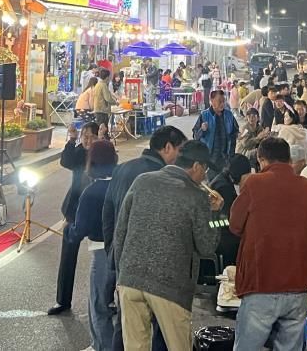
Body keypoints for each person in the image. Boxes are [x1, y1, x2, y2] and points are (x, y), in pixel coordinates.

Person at [114, 141, 222, 350]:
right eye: (205, 170)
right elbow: (207, 246)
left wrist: (121, 275)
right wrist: (216, 213)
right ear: (197, 167)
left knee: (135, 346)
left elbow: (121, 232)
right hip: (171, 285)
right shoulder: (197, 196)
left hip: (130, 279)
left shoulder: (142, 181)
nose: (205, 176)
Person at [102, 126, 187, 350]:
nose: (181, 157)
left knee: (126, 326)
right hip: (154, 266)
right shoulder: (163, 178)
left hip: (125, 262)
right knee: (159, 327)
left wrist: (113, 251)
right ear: (168, 148)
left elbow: (108, 212)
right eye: (180, 150)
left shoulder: (122, 169)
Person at [230, 137, 307, 351]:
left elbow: (234, 225)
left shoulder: (254, 182)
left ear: (261, 160)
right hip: (299, 284)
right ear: (289, 159)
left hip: (263, 282)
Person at [66, 140, 118, 351]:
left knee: (98, 304)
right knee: (117, 304)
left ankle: (103, 346)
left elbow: (80, 229)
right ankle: (103, 344)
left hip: (101, 251)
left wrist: (69, 229)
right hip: (123, 250)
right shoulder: (121, 185)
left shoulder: (91, 191)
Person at [48, 121, 99, 315]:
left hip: (98, 212)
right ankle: (62, 300)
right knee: (68, 256)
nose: (87, 140)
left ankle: (106, 300)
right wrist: (70, 140)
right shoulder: (77, 151)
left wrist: (103, 141)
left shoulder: (102, 152)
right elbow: (66, 161)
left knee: (103, 259)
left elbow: (110, 163)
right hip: (75, 209)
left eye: (91, 136)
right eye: (84, 136)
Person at [210, 154, 252, 268]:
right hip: (221, 236)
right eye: (247, 177)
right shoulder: (224, 189)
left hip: (217, 231)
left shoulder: (223, 180)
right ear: (239, 175)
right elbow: (230, 221)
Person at [193, 90, 239, 177]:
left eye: (223, 101)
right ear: (212, 101)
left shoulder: (229, 115)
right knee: (210, 183)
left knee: (224, 182)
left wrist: (237, 135)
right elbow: (195, 136)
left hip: (225, 157)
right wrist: (202, 130)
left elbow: (235, 131)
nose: (222, 104)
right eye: (219, 101)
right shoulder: (204, 115)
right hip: (210, 158)